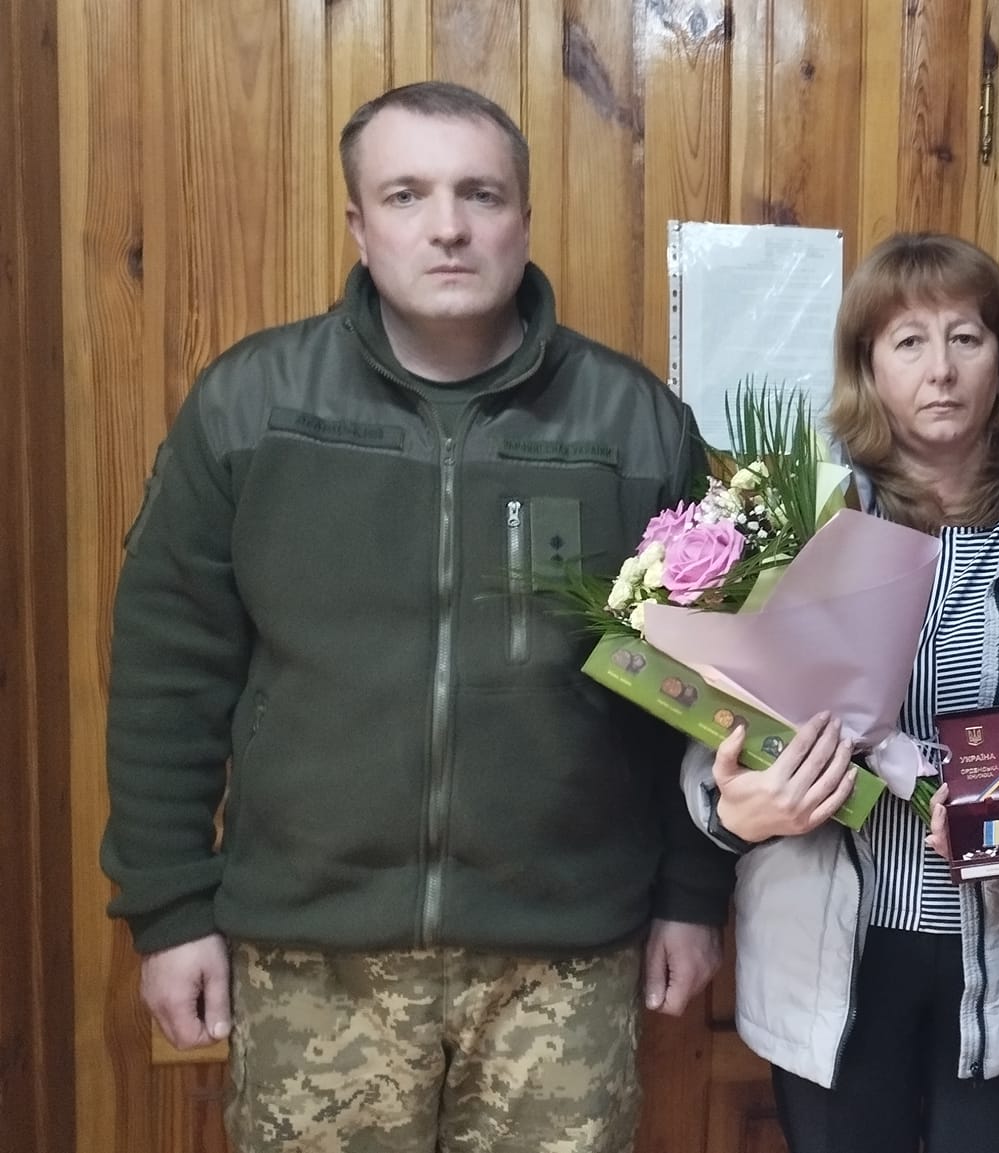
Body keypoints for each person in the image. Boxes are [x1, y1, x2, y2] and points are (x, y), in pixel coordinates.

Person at [100, 81, 731, 1152]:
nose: (448, 226)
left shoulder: (633, 422)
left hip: (565, 962)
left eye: (480, 193)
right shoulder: (252, 405)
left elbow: (700, 686)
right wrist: (168, 911)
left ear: (523, 217)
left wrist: (692, 890)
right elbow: (168, 670)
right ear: (358, 224)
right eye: (406, 195)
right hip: (312, 962)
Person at [680, 232, 999, 1153]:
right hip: (832, 950)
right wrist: (730, 803)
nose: (940, 369)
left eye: (965, 337)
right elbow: (713, 699)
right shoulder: (798, 511)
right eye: (908, 341)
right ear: (867, 365)